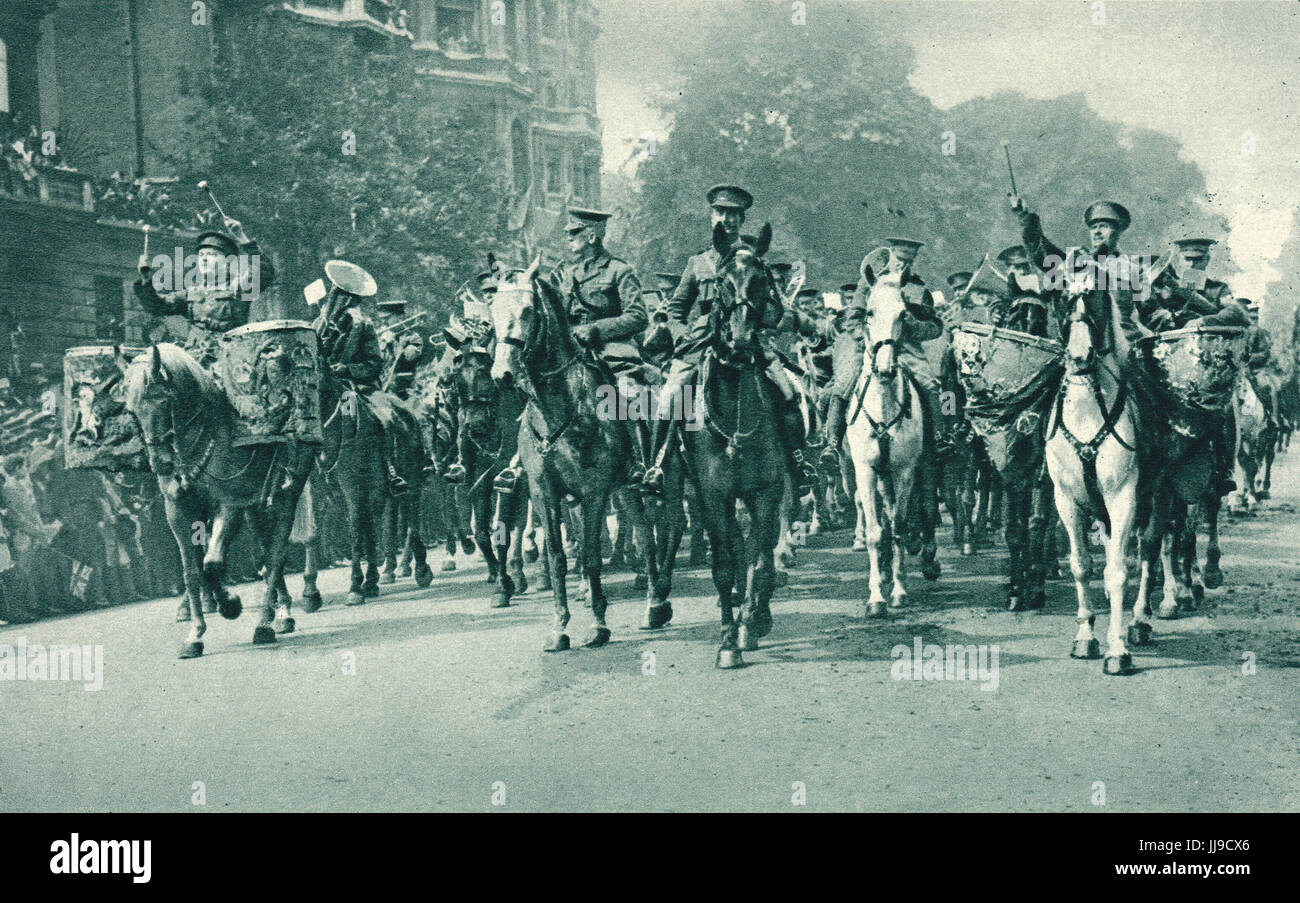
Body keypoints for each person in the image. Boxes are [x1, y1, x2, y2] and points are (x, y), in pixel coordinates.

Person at [647, 185, 817, 495]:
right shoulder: (697, 263)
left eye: (733, 215)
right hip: (701, 344)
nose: (726, 219)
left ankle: (797, 461)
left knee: (789, 392)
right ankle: (657, 467)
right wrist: (682, 335)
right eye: (720, 213)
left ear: (742, 220)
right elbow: (675, 309)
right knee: (671, 397)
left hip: (749, 341)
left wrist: (765, 318)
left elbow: (775, 306)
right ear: (711, 216)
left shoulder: (753, 261)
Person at [554, 207, 654, 487]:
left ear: (592, 236)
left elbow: (638, 316)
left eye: (574, 233)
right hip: (573, 350)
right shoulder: (565, 273)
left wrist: (596, 329)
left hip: (612, 349)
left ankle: (640, 463)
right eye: (568, 233)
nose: (568, 238)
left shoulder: (619, 271)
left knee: (628, 393)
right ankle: (526, 463)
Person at [313, 260, 410, 495]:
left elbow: (374, 364)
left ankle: (390, 470)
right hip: (320, 386)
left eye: (343, 296)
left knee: (383, 419)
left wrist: (346, 370)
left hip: (355, 388)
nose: (337, 300)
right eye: (335, 294)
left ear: (351, 300)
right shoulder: (318, 324)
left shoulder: (362, 325)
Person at [134, 219, 276, 369]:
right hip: (194, 357)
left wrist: (242, 237)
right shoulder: (190, 294)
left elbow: (264, 272)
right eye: (201, 255)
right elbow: (157, 307)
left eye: (212, 254)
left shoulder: (239, 288)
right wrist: (146, 281)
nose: (204, 259)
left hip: (231, 359)